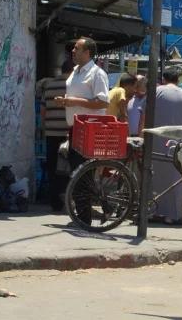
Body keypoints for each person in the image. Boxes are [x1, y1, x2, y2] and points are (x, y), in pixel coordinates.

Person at [55, 37, 109, 224]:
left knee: (82, 174)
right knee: (76, 173)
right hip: (74, 128)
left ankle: (84, 217)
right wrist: (66, 101)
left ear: (87, 52)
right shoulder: (75, 72)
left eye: (77, 48)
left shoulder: (97, 73)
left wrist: (72, 102)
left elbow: (103, 102)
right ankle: (81, 214)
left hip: (90, 130)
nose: (73, 51)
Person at [152, 67, 182, 226]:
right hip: (177, 146)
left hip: (154, 141)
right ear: (178, 80)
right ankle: (173, 215)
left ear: (163, 79)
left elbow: (143, 114)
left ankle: (153, 211)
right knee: (175, 179)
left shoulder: (156, 92)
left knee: (152, 176)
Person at [39, 60, 73, 211]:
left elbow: (43, 111)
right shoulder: (73, 87)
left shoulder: (49, 85)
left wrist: (45, 127)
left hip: (51, 133)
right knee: (69, 168)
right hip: (68, 134)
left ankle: (55, 202)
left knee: (53, 168)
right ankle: (67, 199)